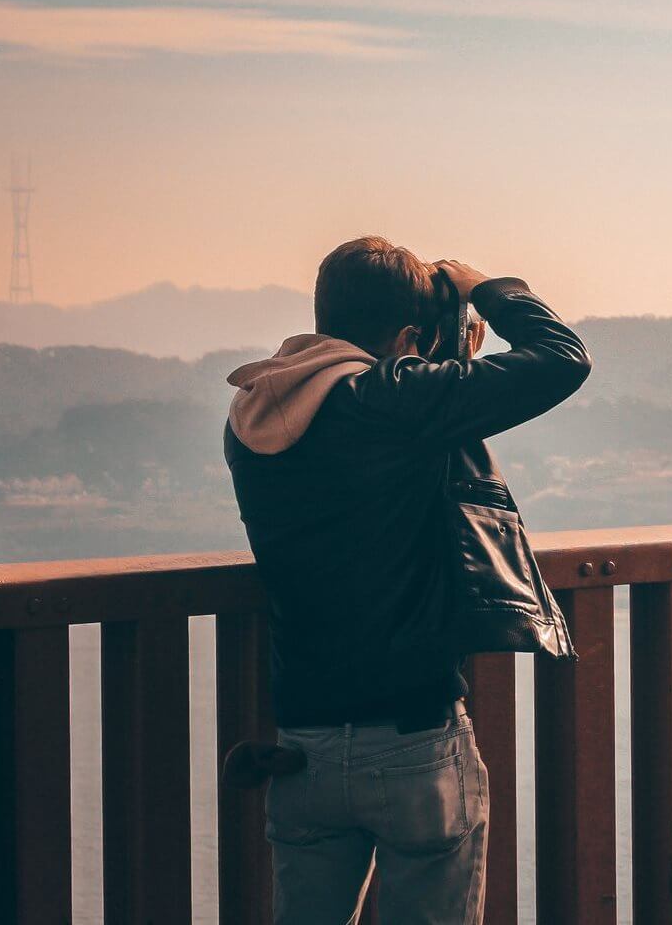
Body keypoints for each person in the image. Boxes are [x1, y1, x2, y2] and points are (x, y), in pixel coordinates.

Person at [224, 237, 590, 923]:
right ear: (405, 339)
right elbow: (563, 359)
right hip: (414, 742)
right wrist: (488, 289)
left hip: (303, 745)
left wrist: (439, 361)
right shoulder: (394, 400)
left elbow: (380, 459)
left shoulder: (254, 413)